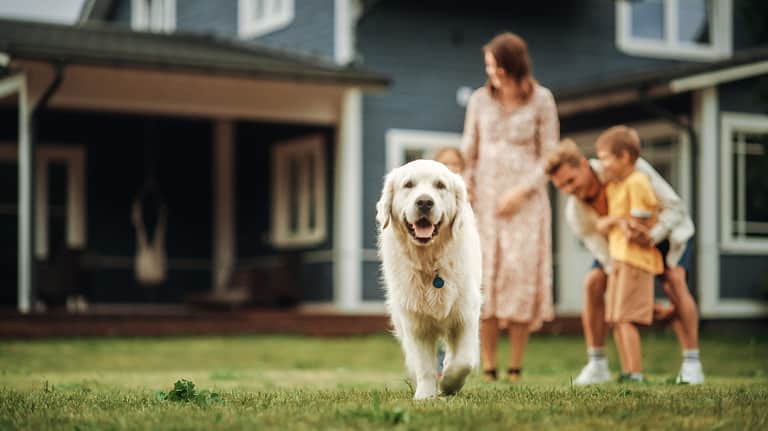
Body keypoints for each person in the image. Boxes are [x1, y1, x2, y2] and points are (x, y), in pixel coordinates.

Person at [547, 138, 704, 385]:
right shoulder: (575, 213)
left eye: (570, 180)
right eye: (561, 187)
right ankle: (597, 363)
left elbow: (675, 208)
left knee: (674, 282)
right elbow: (605, 254)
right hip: (620, 251)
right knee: (593, 282)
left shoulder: (626, 166)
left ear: (584, 165)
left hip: (665, 233)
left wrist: (652, 236)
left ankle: (692, 365)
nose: (568, 190)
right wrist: (632, 294)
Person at [462, 32, 559, 382]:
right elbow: (469, 149)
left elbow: (551, 155)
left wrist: (522, 191)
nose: (491, 72)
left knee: (519, 279)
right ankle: (488, 367)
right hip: (484, 204)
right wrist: (467, 185)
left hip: (525, 205)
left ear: (513, 65)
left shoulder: (542, 100)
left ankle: (515, 367)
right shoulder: (478, 100)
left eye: (496, 64)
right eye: (488, 65)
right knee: (484, 280)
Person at [594, 126, 664, 382]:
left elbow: (639, 226)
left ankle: (635, 372)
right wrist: (618, 221)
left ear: (624, 157)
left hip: (635, 260)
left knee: (625, 318)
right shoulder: (615, 186)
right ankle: (627, 371)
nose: (602, 165)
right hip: (619, 258)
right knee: (615, 318)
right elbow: (601, 224)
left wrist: (624, 223)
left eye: (605, 158)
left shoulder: (637, 183)